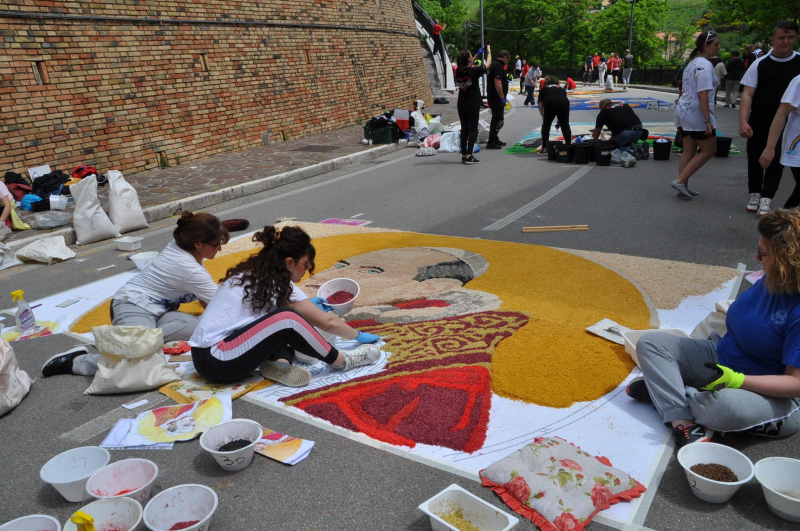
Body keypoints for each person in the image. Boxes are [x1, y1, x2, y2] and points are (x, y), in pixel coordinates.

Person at [628, 209, 800, 447]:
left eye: (763, 253)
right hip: (721, 357)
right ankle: (684, 423)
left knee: (723, 409)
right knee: (652, 343)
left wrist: (738, 381)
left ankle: (671, 397)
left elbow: (796, 384)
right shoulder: (773, 278)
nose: (757, 259)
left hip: (768, 392)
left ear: (786, 261)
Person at [189, 225, 382, 387]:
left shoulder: (257, 275)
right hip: (216, 359)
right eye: (305, 265)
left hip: (217, 356)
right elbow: (329, 322)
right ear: (289, 262)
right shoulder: (276, 283)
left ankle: (281, 365)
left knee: (288, 325)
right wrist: (358, 335)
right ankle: (343, 361)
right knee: (288, 319)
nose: (306, 271)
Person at [41, 211, 229, 377]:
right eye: (216, 244)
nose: (219, 248)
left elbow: (208, 300)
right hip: (131, 305)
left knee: (198, 329)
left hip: (159, 312)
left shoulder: (183, 245)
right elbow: (221, 305)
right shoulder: (188, 268)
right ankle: (78, 361)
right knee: (137, 361)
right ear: (198, 244)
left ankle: (125, 341)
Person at [740, 20, 800, 217]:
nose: (785, 41)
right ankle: (754, 193)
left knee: (776, 160)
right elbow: (747, 94)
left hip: (789, 122)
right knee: (756, 157)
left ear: (796, 38)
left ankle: (767, 197)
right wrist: (743, 120)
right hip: (760, 119)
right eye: (781, 37)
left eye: (790, 37)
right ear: (773, 40)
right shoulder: (760, 63)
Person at [670, 31, 720, 199]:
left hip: (684, 111)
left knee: (688, 151)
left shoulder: (691, 63)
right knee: (710, 149)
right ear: (706, 47)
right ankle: (680, 180)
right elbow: (702, 94)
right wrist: (707, 120)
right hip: (696, 114)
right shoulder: (705, 66)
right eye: (716, 44)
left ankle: (682, 185)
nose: (719, 48)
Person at [758, 73, 800, 208]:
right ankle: (783, 224)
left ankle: (782, 224)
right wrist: (770, 148)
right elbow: (782, 113)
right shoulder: (798, 82)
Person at [455, 45, 490, 164]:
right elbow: (488, 65)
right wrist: (489, 52)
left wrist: (476, 56)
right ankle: (469, 154)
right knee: (473, 129)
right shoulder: (474, 71)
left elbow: (467, 67)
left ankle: (464, 153)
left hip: (461, 104)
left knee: (464, 129)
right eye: (470, 56)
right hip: (472, 104)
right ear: (468, 60)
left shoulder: (458, 71)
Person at [537, 75, 572, 152]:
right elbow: (564, 101)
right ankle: (569, 145)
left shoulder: (544, 88)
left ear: (546, 83)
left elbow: (540, 103)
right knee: (565, 126)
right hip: (564, 104)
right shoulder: (562, 89)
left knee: (546, 126)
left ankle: (545, 147)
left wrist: (543, 115)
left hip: (550, 104)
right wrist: (562, 119)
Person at [486, 49, 510, 149]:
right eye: (508, 59)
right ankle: (491, 141)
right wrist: (502, 97)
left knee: (498, 119)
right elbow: (498, 82)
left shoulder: (496, 65)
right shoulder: (498, 66)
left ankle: (494, 138)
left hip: (495, 97)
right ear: (505, 57)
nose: (507, 61)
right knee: (497, 119)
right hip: (496, 97)